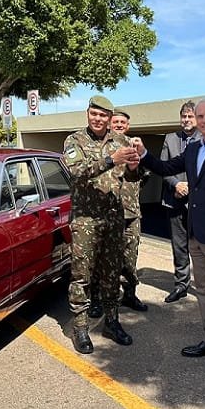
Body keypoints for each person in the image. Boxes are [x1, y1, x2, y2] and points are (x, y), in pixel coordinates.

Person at [134, 97, 205, 373]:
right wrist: (143, 153)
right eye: (200, 116)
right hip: (197, 234)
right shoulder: (194, 148)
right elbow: (165, 169)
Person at [63, 95, 141, 355]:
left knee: (111, 274)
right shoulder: (74, 140)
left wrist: (132, 166)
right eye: (94, 114)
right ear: (88, 114)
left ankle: (111, 321)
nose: (98, 119)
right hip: (86, 219)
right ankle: (81, 328)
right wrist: (111, 159)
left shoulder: (120, 141)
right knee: (82, 275)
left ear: (110, 118)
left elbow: (131, 177)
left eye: (103, 115)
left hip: (113, 217)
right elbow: (76, 171)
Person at [87, 109, 148, 317]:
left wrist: (135, 165)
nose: (119, 125)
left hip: (131, 212)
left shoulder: (132, 145)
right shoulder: (103, 147)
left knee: (130, 260)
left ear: (128, 126)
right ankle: (96, 300)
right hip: (108, 212)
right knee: (100, 260)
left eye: (123, 122)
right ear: (110, 123)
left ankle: (129, 294)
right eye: (116, 121)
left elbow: (144, 174)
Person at [160, 101, 201, 303]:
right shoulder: (170, 138)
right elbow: (163, 167)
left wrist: (190, 187)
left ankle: (204, 288)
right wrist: (176, 185)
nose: (186, 120)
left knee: (201, 247)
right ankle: (181, 285)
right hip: (174, 201)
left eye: (190, 116)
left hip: (200, 205)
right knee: (179, 247)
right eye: (183, 116)